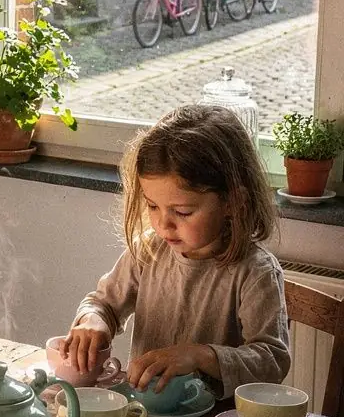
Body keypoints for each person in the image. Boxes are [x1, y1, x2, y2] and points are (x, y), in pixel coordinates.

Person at [62, 105, 290, 397]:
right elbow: (103, 304)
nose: (163, 224)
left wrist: (200, 355)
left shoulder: (255, 271)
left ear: (233, 202)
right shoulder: (148, 251)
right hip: (144, 413)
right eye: (152, 206)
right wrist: (93, 320)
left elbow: (272, 360)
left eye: (182, 212)